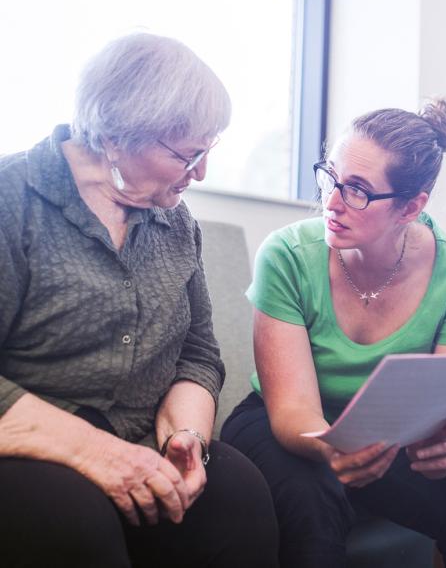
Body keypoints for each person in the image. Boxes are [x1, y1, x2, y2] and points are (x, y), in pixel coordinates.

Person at [0, 33, 279, 568]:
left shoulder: (175, 223)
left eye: (207, 152)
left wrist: (189, 439)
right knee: (73, 521)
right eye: (187, 154)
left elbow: (198, 354)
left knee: (239, 494)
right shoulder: (15, 200)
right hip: (32, 448)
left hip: (140, 439)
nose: (200, 174)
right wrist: (95, 453)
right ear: (114, 136)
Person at [221, 98, 446, 568]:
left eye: (358, 190)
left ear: (410, 207)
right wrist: (334, 448)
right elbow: (293, 409)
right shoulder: (286, 255)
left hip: (386, 435)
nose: (332, 201)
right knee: (312, 495)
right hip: (287, 425)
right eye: (331, 177)